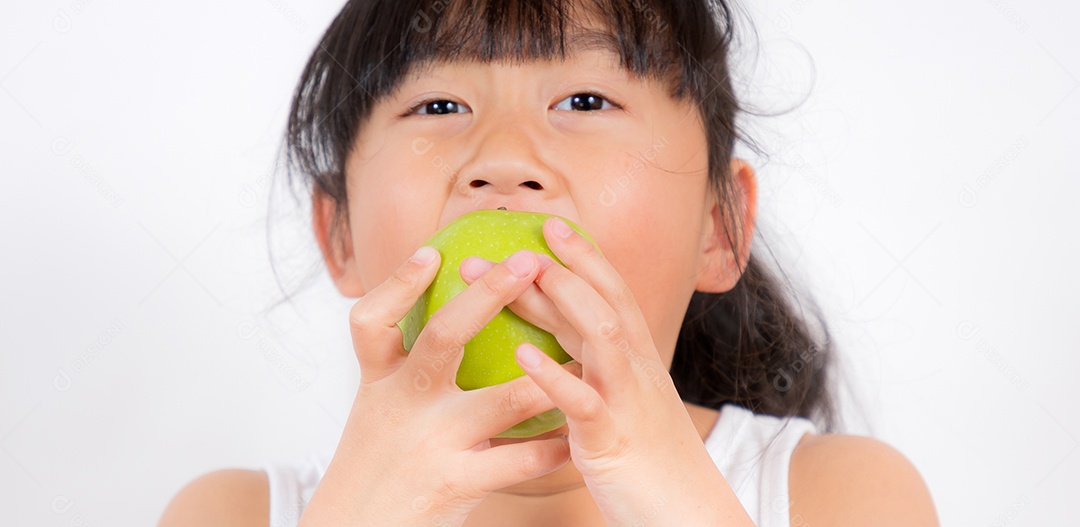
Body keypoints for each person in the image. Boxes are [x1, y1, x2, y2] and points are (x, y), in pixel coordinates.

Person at [159, 0, 939, 525]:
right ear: (342, 237)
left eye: (585, 103)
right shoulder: (235, 511)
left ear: (719, 226)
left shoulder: (833, 493)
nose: (503, 162)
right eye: (438, 106)